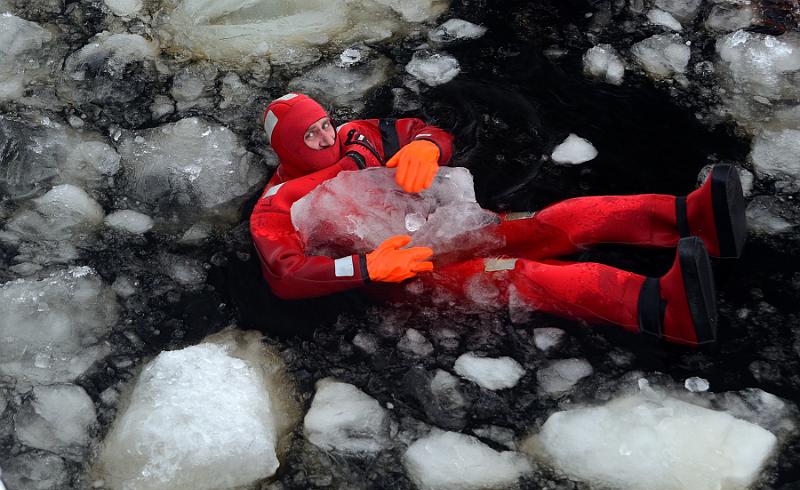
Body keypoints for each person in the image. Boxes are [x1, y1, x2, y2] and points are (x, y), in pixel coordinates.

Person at [250, 93, 746, 347]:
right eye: (310, 137)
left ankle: (691, 218)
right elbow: (284, 275)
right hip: (412, 273)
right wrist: (364, 270)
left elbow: (426, 129)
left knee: (547, 222)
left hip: (446, 224)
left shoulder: (358, 137)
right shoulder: (278, 204)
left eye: (324, 124)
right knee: (519, 274)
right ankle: (663, 309)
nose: (325, 138)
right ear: (287, 148)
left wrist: (426, 145)